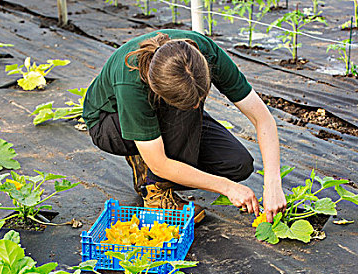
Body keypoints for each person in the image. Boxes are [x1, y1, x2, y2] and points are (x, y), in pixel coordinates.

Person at [82, 29, 286, 224]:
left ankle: (150, 147)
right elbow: (159, 164)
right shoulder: (131, 82)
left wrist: (273, 183)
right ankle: (155, 190)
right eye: (192, 102)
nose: (198, 105)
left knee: (237, 163)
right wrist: (227, 187)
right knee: (175, 128)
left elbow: (263, 119)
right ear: (158, 90)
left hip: (171, 113)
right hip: (109, 122)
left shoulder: (204, 52)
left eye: (200, 97)